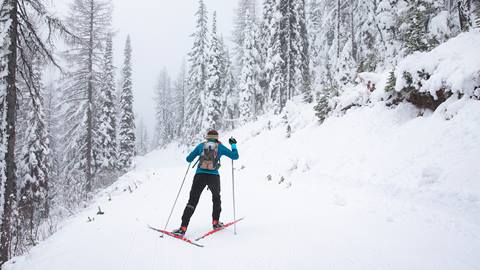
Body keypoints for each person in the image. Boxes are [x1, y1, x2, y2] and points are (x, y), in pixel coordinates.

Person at [172, 130, 239, 236]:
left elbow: (188, 159)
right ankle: (216, 222)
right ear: (216, 138)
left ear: (207, 138)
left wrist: (198, 154)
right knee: (216, 198)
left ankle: (183, 227)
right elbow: (235, 156)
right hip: (214, 177)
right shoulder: (220, 147)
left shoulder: (201, 146)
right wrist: (233, 145)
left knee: (192, 201)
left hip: (199, 176)